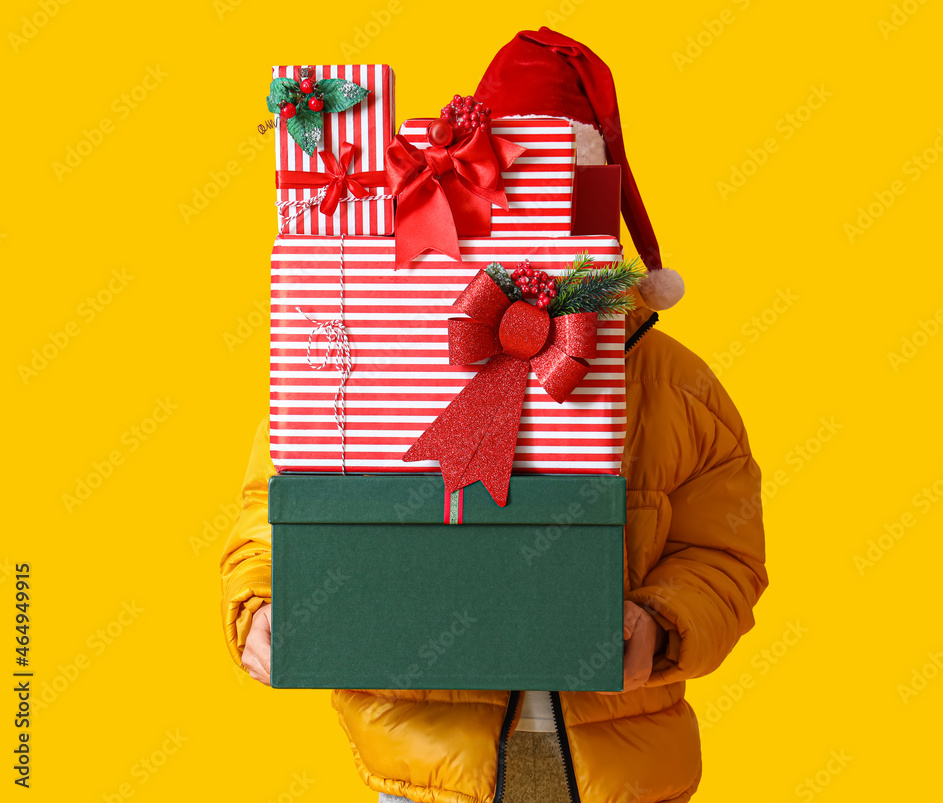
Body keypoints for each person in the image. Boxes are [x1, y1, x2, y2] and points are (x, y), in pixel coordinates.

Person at [221, 28, 767, 803]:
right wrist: (260, 608)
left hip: (622, 775)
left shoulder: (676, 386)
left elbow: (727, 554)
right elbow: (273, 509)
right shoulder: (359, 360)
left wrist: (661, 621)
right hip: (425, 776)